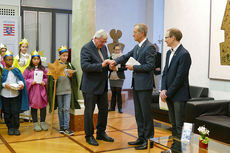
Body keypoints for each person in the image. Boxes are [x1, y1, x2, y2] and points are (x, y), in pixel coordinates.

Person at [111, 23, 156, 150]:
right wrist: (115, 61)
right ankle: (141, 137)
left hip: (145, 86)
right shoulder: (137, 47)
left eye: (135, 32)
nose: (133, 34)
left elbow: (150, 66)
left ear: (142, 33)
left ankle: (148, 140)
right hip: (136, 85)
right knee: (138, 113)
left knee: (146, 114)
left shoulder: (150, 47)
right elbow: (126, 56)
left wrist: (134, 67)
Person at [80, 29, 114, 146]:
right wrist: (101, 65)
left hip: (103, 86)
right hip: (90, 87)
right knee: (89, 112)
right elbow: (85, 66)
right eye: (102, 41)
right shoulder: (86, 48)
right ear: (96, 39)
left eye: (105, 42)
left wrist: (110, 67)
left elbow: (105, 64)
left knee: (104, 110)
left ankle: (101, 133)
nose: (104, 44)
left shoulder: (104, 48)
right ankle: (89, 136)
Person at [160, 28, 191, 143]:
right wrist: (163, 89)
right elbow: (165, 73)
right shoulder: (169, 52)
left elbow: (180, 78)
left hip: (179, 95)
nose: (165, 40)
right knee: (172, 124)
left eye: (166, 37)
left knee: (179, 125)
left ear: (173, 38)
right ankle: (174, 147)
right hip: (169, 93)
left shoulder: (184, 54)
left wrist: (168, 93)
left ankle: (179, 148)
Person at [0, 50, 29, 135]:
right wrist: (5, 85)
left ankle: (16, 128)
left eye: (11, 59)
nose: (10, 61)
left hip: (14, 95)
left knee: (15, 112)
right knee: (7, 112)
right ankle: (10, 127)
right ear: (4, 60)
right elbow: (1, 82)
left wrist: (21, 84)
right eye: (8, 59)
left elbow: (20, 79)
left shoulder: (16, 70)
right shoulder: (2, 71)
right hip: (5, 95)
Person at [23, 50, 48, 132]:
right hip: (33, 91)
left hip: (41, 90)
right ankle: (35, 123)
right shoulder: (28, 69)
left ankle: (43, 122)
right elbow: (24, 79)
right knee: (34, 107)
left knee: (43, 106)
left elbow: (48, 78)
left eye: (38, 59)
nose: (36, 60)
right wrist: (31, 82)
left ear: (40, 60)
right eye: (34, 59)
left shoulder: (43, 69)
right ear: (32, 60)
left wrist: (44, 82)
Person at [13, 38, 31, 121]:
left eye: (26, 47)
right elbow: (14, 68)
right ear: (20, 47)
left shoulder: (30, 57)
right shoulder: (16, 57)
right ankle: (20, 115)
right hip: (19, 79)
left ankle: (27, 116)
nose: (24, 48)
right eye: (23, 47)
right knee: (19, 96)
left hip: (27, 79)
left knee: (27, 96)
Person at [108, 44, 126, 113]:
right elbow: (108, 67)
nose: (117, 51)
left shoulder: (123, 57)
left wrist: (117, 68)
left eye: (118, 49)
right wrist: (111, 68)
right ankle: (112, 107)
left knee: (118, 93)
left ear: (120, 50)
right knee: (113, 93)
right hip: (112, 76)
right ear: (114, 50)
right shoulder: (111, 57)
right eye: (116, 49)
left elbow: (125, 67)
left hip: (119, 77)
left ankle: (120, 108)